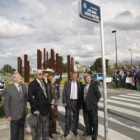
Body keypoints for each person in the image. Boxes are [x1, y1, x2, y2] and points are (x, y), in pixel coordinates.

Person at [3, 73, 28, 140]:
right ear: (14, 79)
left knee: (21, 133)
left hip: (23, 113)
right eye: (19, 76)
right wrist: (8, 115)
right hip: (14, 115)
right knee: (14, 134)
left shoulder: (23, 87)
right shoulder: (9, 89)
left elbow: (26, 99)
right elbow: (6, 103)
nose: (21, 77)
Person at [28, 69, 51, 140]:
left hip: (46, 109)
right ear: (36, 75)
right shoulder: (32, 85)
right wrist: (35, 109)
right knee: (37, 129)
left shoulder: (44, 82)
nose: (42, 75)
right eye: (40, 74)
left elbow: (46, 95)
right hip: (38, 110)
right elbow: (31, 99)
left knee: (46, 128)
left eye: (42, 73)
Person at [62, 71, 82, 137]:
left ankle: (74, 130)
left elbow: (81, 94)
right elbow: (64, 93)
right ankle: (66, 131)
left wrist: (81, 103)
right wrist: (64, 101)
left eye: (75, 75)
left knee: (76, 117)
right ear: (71, 76)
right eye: (73, 75)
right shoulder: (67, 83)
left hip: (76, 102)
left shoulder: (80, 84)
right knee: (67, 116)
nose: (74, 77)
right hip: (69, 102)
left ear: (77, 76)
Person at [82, 75, 101, 140]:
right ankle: (88, 131)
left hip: (92, 106)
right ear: (84, 79)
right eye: (87, 78)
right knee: (87, 120)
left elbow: (98, 95)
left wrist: (94, 103)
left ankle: (94, 135)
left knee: (94, 121)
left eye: (89, 78)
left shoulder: (94, 85)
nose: (88, 80)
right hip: (85, 106)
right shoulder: (83, 86)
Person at [47, 74, 60, 138]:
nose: (55, 79)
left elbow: (56, 93)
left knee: (55, 118)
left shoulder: (54, 85)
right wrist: (51, 104)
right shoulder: (48, 86)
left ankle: (54, 130)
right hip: (51, 105)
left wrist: (57, 99)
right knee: (51, 119)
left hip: (55, 104)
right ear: (50, 79)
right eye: (54, 78)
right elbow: (49, 96)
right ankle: (49, 132)